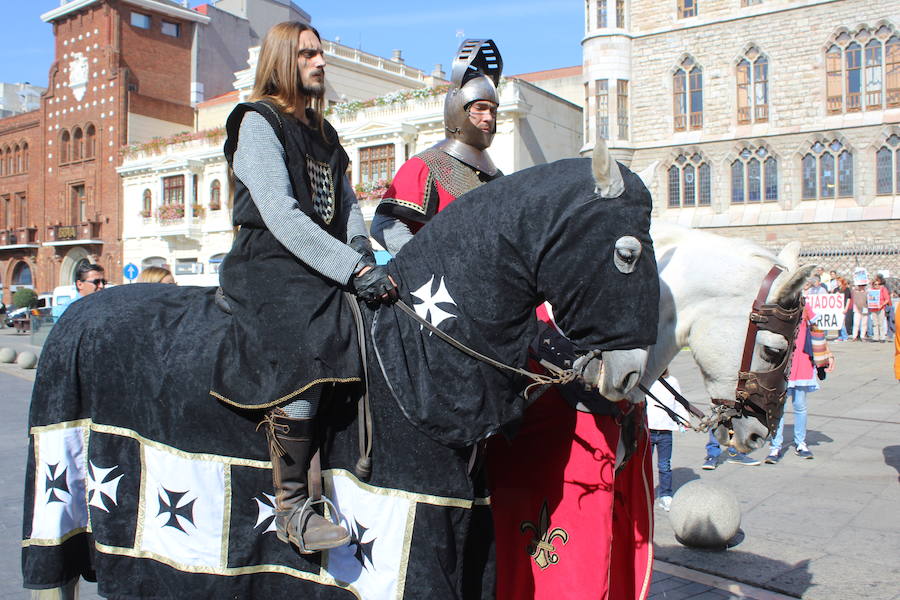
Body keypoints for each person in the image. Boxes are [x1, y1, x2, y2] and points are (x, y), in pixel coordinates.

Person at [210, 22, 398, 555]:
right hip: (268, 259)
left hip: (321, 258)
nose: (320, 61)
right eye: (307, 54)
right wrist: (352, 270)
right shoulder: (257, 122)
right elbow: (282, 216)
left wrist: (363, 252)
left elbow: (349, 207)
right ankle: (292, 506)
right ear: (280, 61)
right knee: (307, 336)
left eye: (321, 53)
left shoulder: (325, 132)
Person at [371, 38, 503, 254]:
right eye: (480, 108)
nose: (488, 117)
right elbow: (385, 224)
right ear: (458, 109)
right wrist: (427, 262)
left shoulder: (496, 176)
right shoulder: (425, 165)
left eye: (493, 110)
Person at [766, 299, 834, 463]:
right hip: (782, 364)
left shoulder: (804, 305)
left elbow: (817, 330)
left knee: (800, 406)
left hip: (802, 362)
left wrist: (827, 354)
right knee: (778, 408)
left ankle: (801, 443)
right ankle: (775, 447)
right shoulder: (777, 307)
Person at [646, 368, 688, 512]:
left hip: (666, 431)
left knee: (665, 465)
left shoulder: (672, 381)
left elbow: (678, 402)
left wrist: (683, 419)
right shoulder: (647, 381)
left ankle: (665, 495)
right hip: (648, 431)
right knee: (644, 466)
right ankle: (644, 494)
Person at [868, 275, 891, 343]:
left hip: (881, 308)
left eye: (878, 284)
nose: (877, 285)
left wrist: (881, 305)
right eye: (875, 284)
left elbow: (887, 299)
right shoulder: (872, 290)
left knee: (881, 323)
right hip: (873, 308)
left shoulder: (883, 289)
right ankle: (876, 337)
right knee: (875, 323)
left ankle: (882, 337)